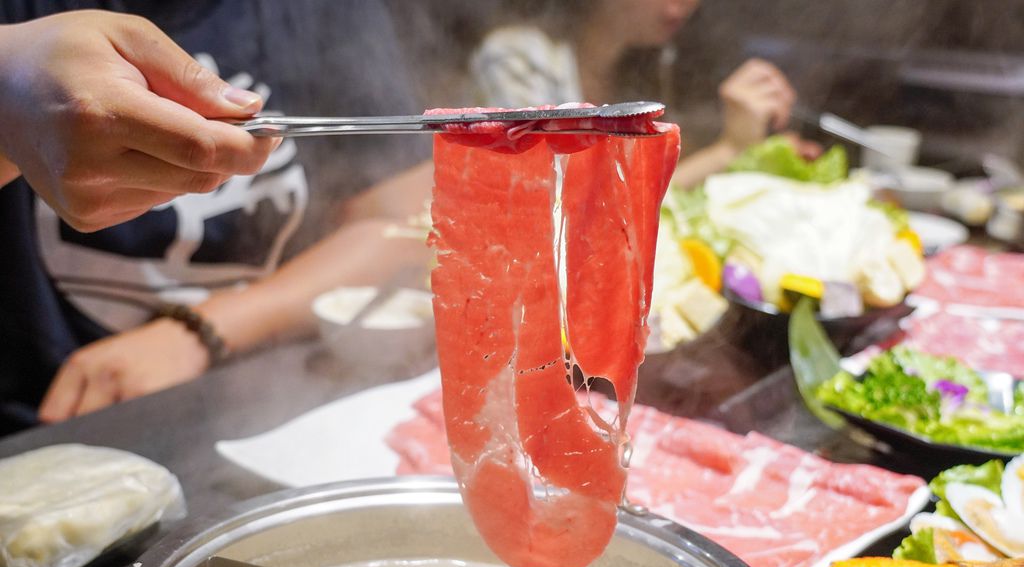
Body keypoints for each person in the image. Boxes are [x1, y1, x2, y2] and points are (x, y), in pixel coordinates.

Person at [0, 1, 432, 434]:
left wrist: (198, 332)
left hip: (276, 399)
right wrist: (8, 85)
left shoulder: (324, 12)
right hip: (45, 416)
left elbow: (404, 226)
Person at [470, 0, 804, 188]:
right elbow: (563, 202)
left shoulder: (647, 63)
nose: (683, 6)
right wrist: (729, 150)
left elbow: (660, 166)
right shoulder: (516, 57)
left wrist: (764, 157)